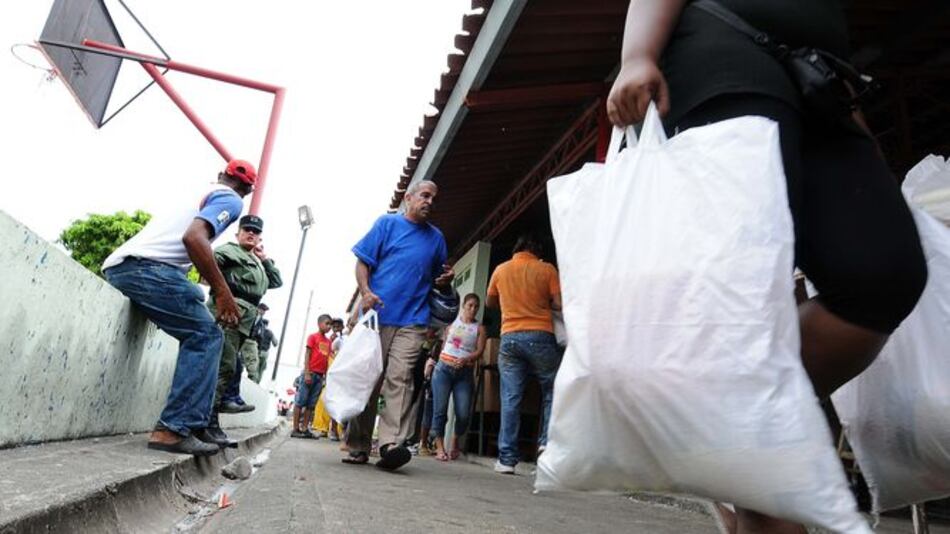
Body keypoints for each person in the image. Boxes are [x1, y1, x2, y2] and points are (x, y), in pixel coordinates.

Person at [606, 1, 927, 532]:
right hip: (725, 59)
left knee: (887, 270)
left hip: (822, 81)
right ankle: (755, 464)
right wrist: (637, 54)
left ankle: (728, 426)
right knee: (751, 296)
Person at [101, 159, 258, 456]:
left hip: (133, 267)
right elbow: (194, 238)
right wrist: (223, 293)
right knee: (207, 335)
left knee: (198, 305)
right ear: (247, 191)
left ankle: (198, 425)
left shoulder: (199, 192)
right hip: (144, 269)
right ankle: (172, 429)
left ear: (220, 174)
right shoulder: (231, 199)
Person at [343, 179, 454, 471]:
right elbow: (362, 262)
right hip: (376, 316)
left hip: (413, 320)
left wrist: (446, 281)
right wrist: (366, 292)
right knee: (369, 379)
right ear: (409, 197)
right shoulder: (387, 224)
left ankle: (390, 444)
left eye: (433, 197)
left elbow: (437, 277)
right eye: (425, 195)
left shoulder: (436, 239)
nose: (429, 201)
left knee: (401, 378)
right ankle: (358, 444)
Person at [486, 234, 562, 474]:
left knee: (511, 397)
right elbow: (559, 304)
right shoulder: (546, 269)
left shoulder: (500, 270)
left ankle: (507, 460)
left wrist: (511, 304)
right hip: (541, 335)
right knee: (552, 390)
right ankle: (544, 449)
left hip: (509, 337)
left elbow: (490, 303)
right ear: (535, 251)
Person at [209, 215, 283, 420]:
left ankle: (212, 419)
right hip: (227, 315)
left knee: (231, 366)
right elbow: (208, 264)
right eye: (247, 229)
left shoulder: (257, 262)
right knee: (224, 368)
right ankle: (206, 422)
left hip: (244, 323)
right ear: (238, 233)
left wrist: (264, 258)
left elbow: (276, 281)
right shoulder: (228, 250)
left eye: (256, 232)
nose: (251, 233)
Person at [428, 294, 485, 462]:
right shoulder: (452, 323)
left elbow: (480, 351)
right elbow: (444, 343)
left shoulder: (479, 328)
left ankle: (454, 440)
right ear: (463, 306)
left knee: (463, 413)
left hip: (464, 373)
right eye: (470, 305)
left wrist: (467, 359)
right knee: (440, 410)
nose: (472, 309)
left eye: (476, 306)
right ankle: (439, 447)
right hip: (444, 369)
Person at [293, 314, 333, 438]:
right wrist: (306, 372)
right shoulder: (313, 337)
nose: (329, 327)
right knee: (300, 402)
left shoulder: (329, 342)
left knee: (311, 404)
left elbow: (327, 360)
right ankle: (295, 429)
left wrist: (325, 377)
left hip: (320, 377)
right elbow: (307, 354)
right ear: (319, 324)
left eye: (330, 324)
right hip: (310, 373)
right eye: (327, 323)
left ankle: (305, 429)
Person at [252, 304, 278, 382]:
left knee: (254, 367)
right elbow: (275, 343)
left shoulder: (259, 328)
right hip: (265, 352)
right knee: (261, 369)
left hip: (256, 349)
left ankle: (253, 381)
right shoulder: (270, 332)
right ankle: (257, 382)